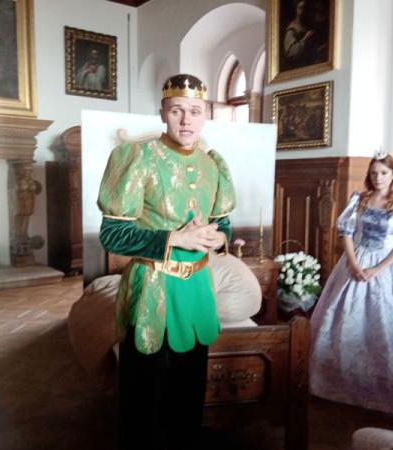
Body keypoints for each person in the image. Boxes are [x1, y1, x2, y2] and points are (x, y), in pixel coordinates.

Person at [97, 74, 235, 450]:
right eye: (177, 111)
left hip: (197, 290)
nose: (186, 120)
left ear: (206, 115)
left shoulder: (213, 165)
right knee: (144, 399)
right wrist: (173, 239)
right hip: (152, 291)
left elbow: (223, 223)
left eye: (195, 111)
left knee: (189, 395)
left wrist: (220, 238)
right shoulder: (137, 158)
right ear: (163, 113)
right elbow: (113, 235)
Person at [308, 152, 393, 417]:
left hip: (387, 268)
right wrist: (354, 264)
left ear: (392, 175)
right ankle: (339, 381)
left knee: (386, 324)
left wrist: (377, 269)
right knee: (343, 320)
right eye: (373, 173)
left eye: (383, 173)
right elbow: (346, 233)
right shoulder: (359, 200)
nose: (378, 178)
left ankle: (387, 385)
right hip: (355, 262)